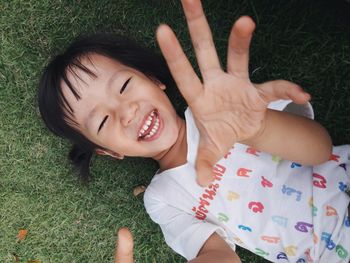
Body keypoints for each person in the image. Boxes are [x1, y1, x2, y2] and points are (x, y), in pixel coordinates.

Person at [38, 0, 350, 262]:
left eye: (124, 86)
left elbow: (320, 150)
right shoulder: (163, 199)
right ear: (109, 152)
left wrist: (256, 128)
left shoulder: (218, 109)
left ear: (154, 79)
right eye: (103, 122)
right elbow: (221, 256)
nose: (126, 112)